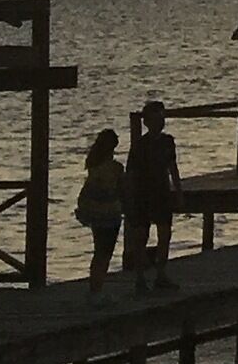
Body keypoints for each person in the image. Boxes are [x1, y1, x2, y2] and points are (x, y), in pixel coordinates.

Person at [124, 98, 180, 289]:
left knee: (165, 234)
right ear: (147, 122)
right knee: (141, 237)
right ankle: (140, 277)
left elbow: (173, 167)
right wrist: (129, 198)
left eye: (162, 118)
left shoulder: (168, 141)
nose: (160, 122)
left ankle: (161, 274)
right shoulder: (140, 145)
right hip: (143, 194)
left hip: (162, 192)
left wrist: (178, 190)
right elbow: (131, 173)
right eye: (156, 118)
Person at [76, 126, 125, 291]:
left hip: (96, 215)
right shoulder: (116, 168)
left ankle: (94, 287)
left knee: (99, 252)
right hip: (111, 214)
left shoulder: (93, 167)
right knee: (106, 253)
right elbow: (121, 191)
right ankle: (97, 288)